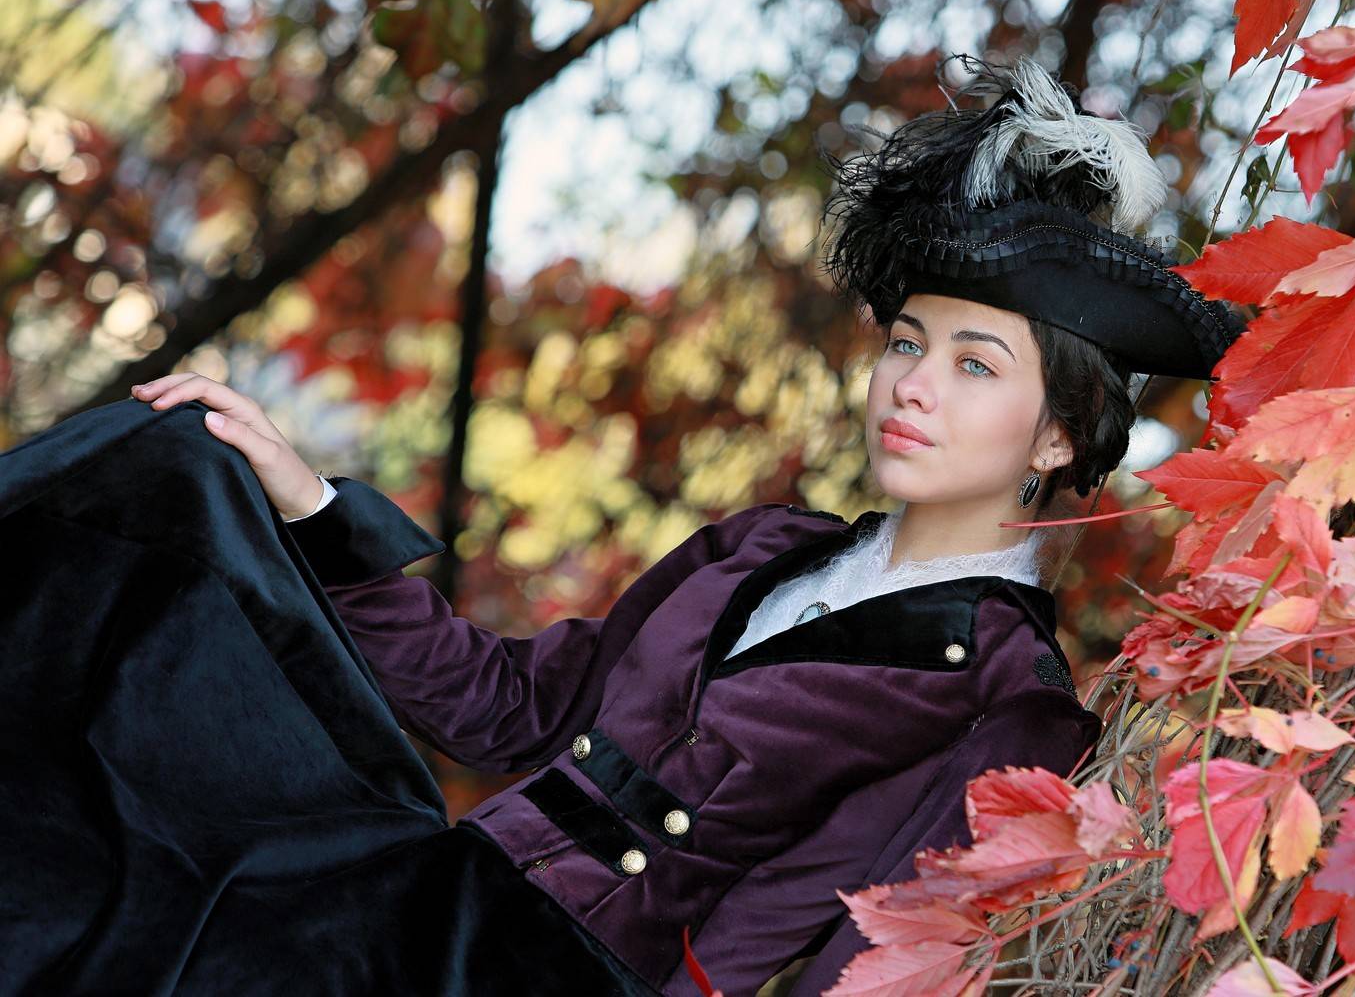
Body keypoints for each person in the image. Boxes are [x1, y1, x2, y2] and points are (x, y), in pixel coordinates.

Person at [2, 53, 1244, 996]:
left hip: (554, 980)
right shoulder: (761, 550)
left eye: (976, 365)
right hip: (419, 905)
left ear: (1057, 436)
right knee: (166, 546)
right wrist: (308, 505)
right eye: (909, 343)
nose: (912, 385)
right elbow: (510, 712)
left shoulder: (1011, 700)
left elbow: (843, 953)